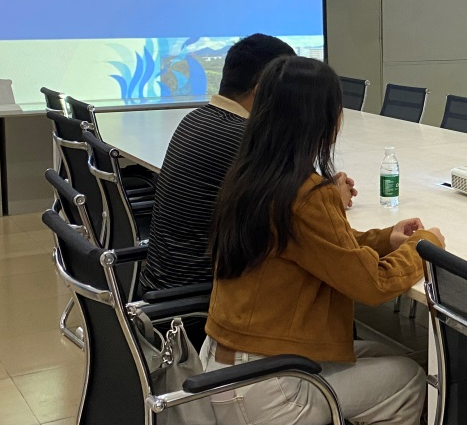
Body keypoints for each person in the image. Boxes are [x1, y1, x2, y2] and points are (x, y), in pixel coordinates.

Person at [200, 55, 446, 425]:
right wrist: (423, 248)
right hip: (262, 390)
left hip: (229, 371)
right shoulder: (304, 194)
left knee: (381, 361)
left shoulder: (255, 176)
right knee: (406, 384)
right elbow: (369, 285)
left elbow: (330, 250)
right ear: (325, 120)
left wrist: (385, 238)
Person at [139, 34, 356, 292]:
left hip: (165, 283)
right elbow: (298, 217)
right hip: (208, 293)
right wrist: (333, 200)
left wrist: (319, 192)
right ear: (262, 89)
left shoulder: (196, 119)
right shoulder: (243, 138)